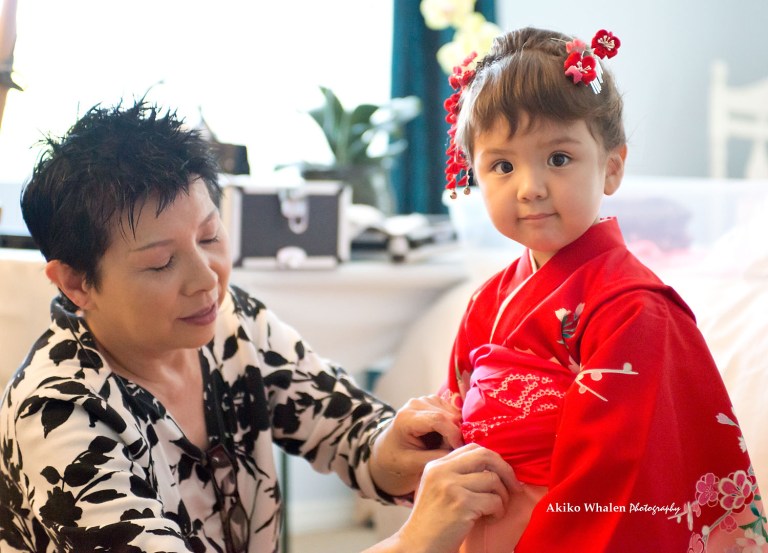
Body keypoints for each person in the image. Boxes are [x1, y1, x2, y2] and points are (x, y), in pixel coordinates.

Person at [0, 101, 520, 553]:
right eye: (160, 264)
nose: (206, 280)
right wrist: (414, 539)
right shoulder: (60, 416)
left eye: (209, 237)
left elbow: (348, 433)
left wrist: (399, 442)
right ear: (75, 282)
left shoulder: (230, 324)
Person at [438, 27, 766, 552]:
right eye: (502, 165)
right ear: (475, 175)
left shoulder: (634, 311)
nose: (530, 187)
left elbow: (618, 481)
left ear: (611, 167)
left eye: (559, 159)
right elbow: (455, 414)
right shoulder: (488, 301)